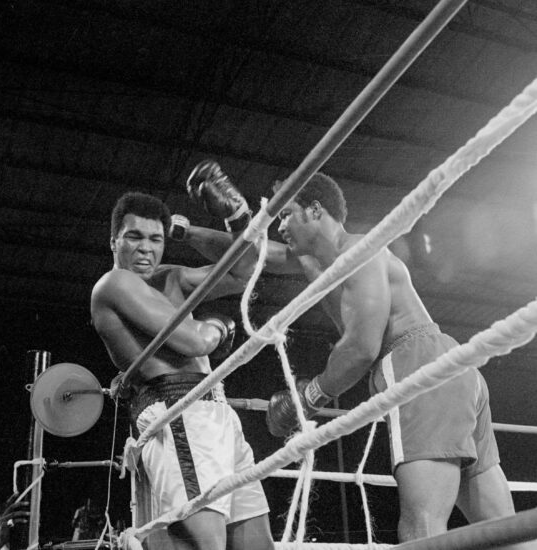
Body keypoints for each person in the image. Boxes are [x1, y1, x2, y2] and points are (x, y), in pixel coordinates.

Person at [179, 165, 528, 545]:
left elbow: (363, 346)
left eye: (285, 215)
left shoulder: (360, 253)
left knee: (422, 521)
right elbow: (248, 260)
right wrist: (195, 228)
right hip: (455, 370)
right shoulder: (314, 259)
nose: (278, 226)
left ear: (315, 210)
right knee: (503, 527)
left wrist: (309, 397)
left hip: (418, 364)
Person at [90, 170, 274, 550]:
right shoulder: (113, 284)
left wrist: (216, 224)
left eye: (156, 239)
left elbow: (246, 269)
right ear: (114, 241)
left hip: (214, 410)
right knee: (206, 545)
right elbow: (191, 342)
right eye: (134, 237)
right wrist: (218, 327)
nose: (146, 248)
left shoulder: (170, 278)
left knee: (257, 545)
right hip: (178, 410)